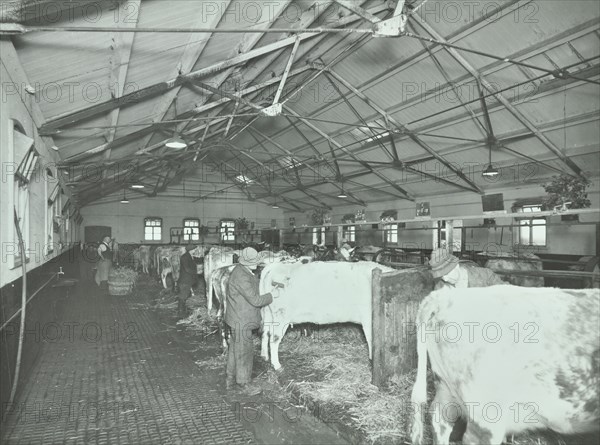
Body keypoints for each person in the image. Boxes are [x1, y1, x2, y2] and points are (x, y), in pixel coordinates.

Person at [225, 247, 279, 396]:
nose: (257, 264)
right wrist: (271, 295)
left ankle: (230, 379)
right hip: (242, 321)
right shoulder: (242, 276)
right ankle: (244, 384)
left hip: (235, 317)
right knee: (244, 352)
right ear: (246, 262)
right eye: (254, 262)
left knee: (234, 350)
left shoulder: (242, 271)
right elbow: (255, 300)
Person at [428, 247, 506, 290]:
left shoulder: (486, 276)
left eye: (446, 273)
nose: (445, 279)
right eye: (442, 276)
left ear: (456, 266)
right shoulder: (440, 287)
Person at [177, 244, 198, 317]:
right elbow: (187, 269)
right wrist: (196, 272)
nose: (195, 251)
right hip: (184, 280)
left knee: (185, 295)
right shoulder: (184, 257)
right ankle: (180, 312)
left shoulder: (189, 256)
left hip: (187, 280)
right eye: (194, 249)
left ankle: (182, 310)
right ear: (191, 250)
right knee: (183, 296)